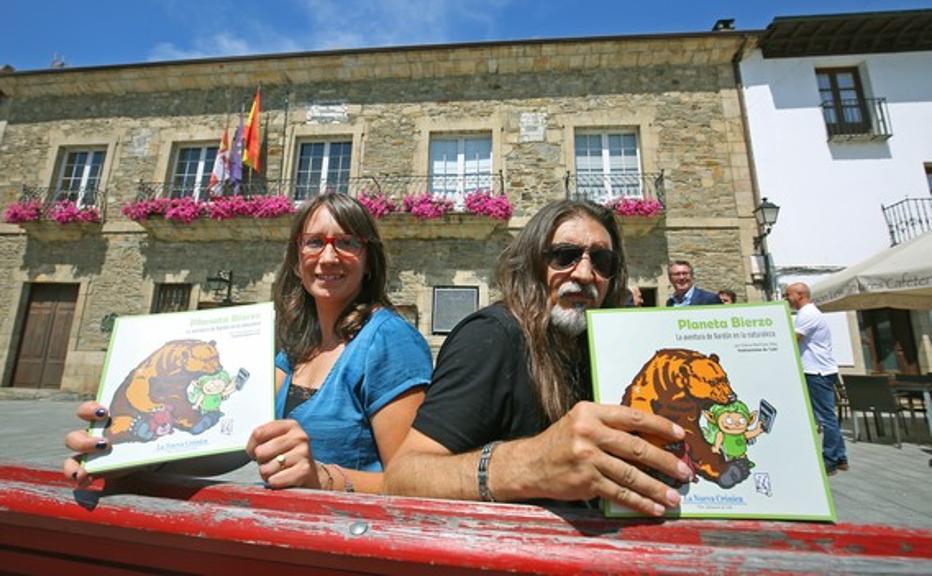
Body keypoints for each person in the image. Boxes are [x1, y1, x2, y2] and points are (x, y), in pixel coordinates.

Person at [64, 193, 433, 493]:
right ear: (295, 259)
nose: (329, 256)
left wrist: (324, 478)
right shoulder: (298, 345)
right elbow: (239, 442)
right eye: (314, 242)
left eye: (348, 242)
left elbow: (413, 481)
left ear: (369, 261)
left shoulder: (389, 339)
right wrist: (129, 454)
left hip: (352, 541)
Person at [384, 200, 693, 516]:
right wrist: (530, 464)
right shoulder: (491, 338)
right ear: (532, 263)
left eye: (602, 261)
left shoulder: (607, 347)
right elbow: (403, 477)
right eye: (565, 256)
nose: (586, 273)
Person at [783, 282, 848, 475]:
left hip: (816, 371)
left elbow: (792, 339)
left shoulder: (808, 314)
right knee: (828, 417)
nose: (787, 299)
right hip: (818, 370)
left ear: (800, 294)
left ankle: (830, 459)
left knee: (825, 418)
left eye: (789, 295)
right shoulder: (808, 313)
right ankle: (840, 457)